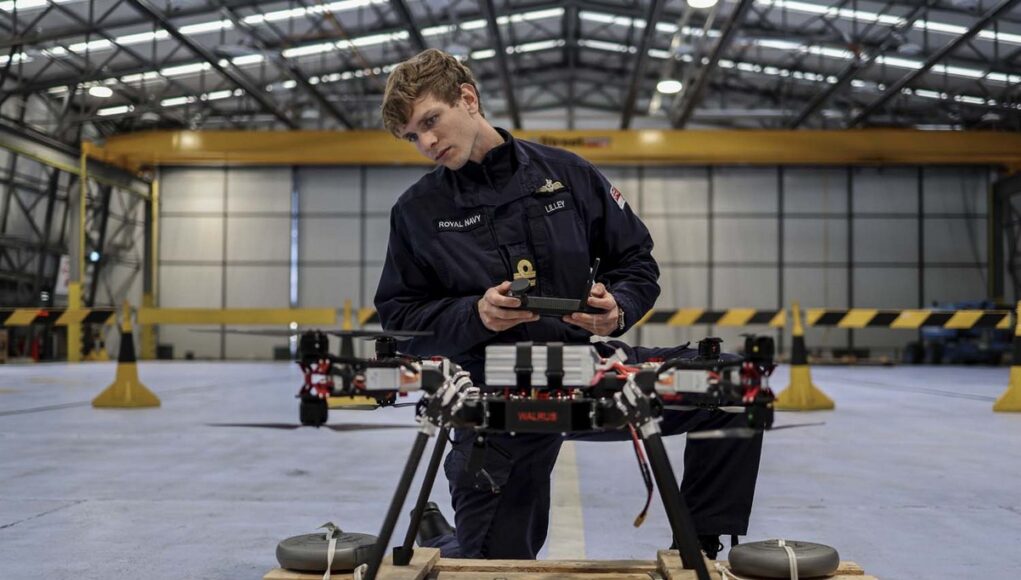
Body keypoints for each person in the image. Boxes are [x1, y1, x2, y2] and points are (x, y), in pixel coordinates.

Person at [374, 48, 761, 561]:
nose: (426, 143)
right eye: (412, 137)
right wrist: (475, 315)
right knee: (492, 565)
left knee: (733, 386)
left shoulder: (569, 175)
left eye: (430, 122)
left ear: (467, 99)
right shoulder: (418, 213)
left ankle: (701, 549)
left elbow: (636, 263)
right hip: (495, 398)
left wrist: (617, 307)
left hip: (589, 373)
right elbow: (400, 317)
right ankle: (443, 535)